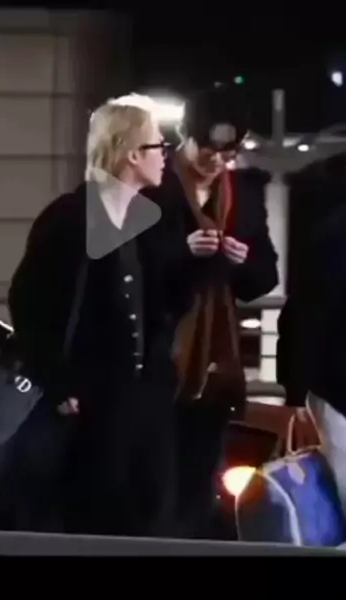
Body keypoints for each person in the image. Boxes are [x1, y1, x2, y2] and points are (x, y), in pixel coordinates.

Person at [5, 93, 193, 537]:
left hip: (144, 399)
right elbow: (29, 303)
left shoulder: (149, 220)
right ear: (131, 154)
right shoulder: (70, 218)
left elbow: (165, 304)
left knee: (151, 517)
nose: (165, 156)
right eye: (157, 146)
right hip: (92, 401)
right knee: (95, 519)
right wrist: (58, 382)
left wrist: (197, 265)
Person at [146, 89, 279, 538]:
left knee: (200, 484)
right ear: (186, 135)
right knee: (155, 486)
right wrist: (182, 252)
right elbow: (130, 267)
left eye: (229, 151)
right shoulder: (155, 182)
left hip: (214, 366)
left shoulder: (244, 194)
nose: (217, 160)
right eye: (209, 148)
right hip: (161, 357)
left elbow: (265, 277)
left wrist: (242, 262)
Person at [278, 202, 346, 516]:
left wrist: (294, 391)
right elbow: (305, 318)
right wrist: (295, 391)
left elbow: (301, 317)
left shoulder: (330, 233)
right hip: (336, 392)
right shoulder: (333, 236)